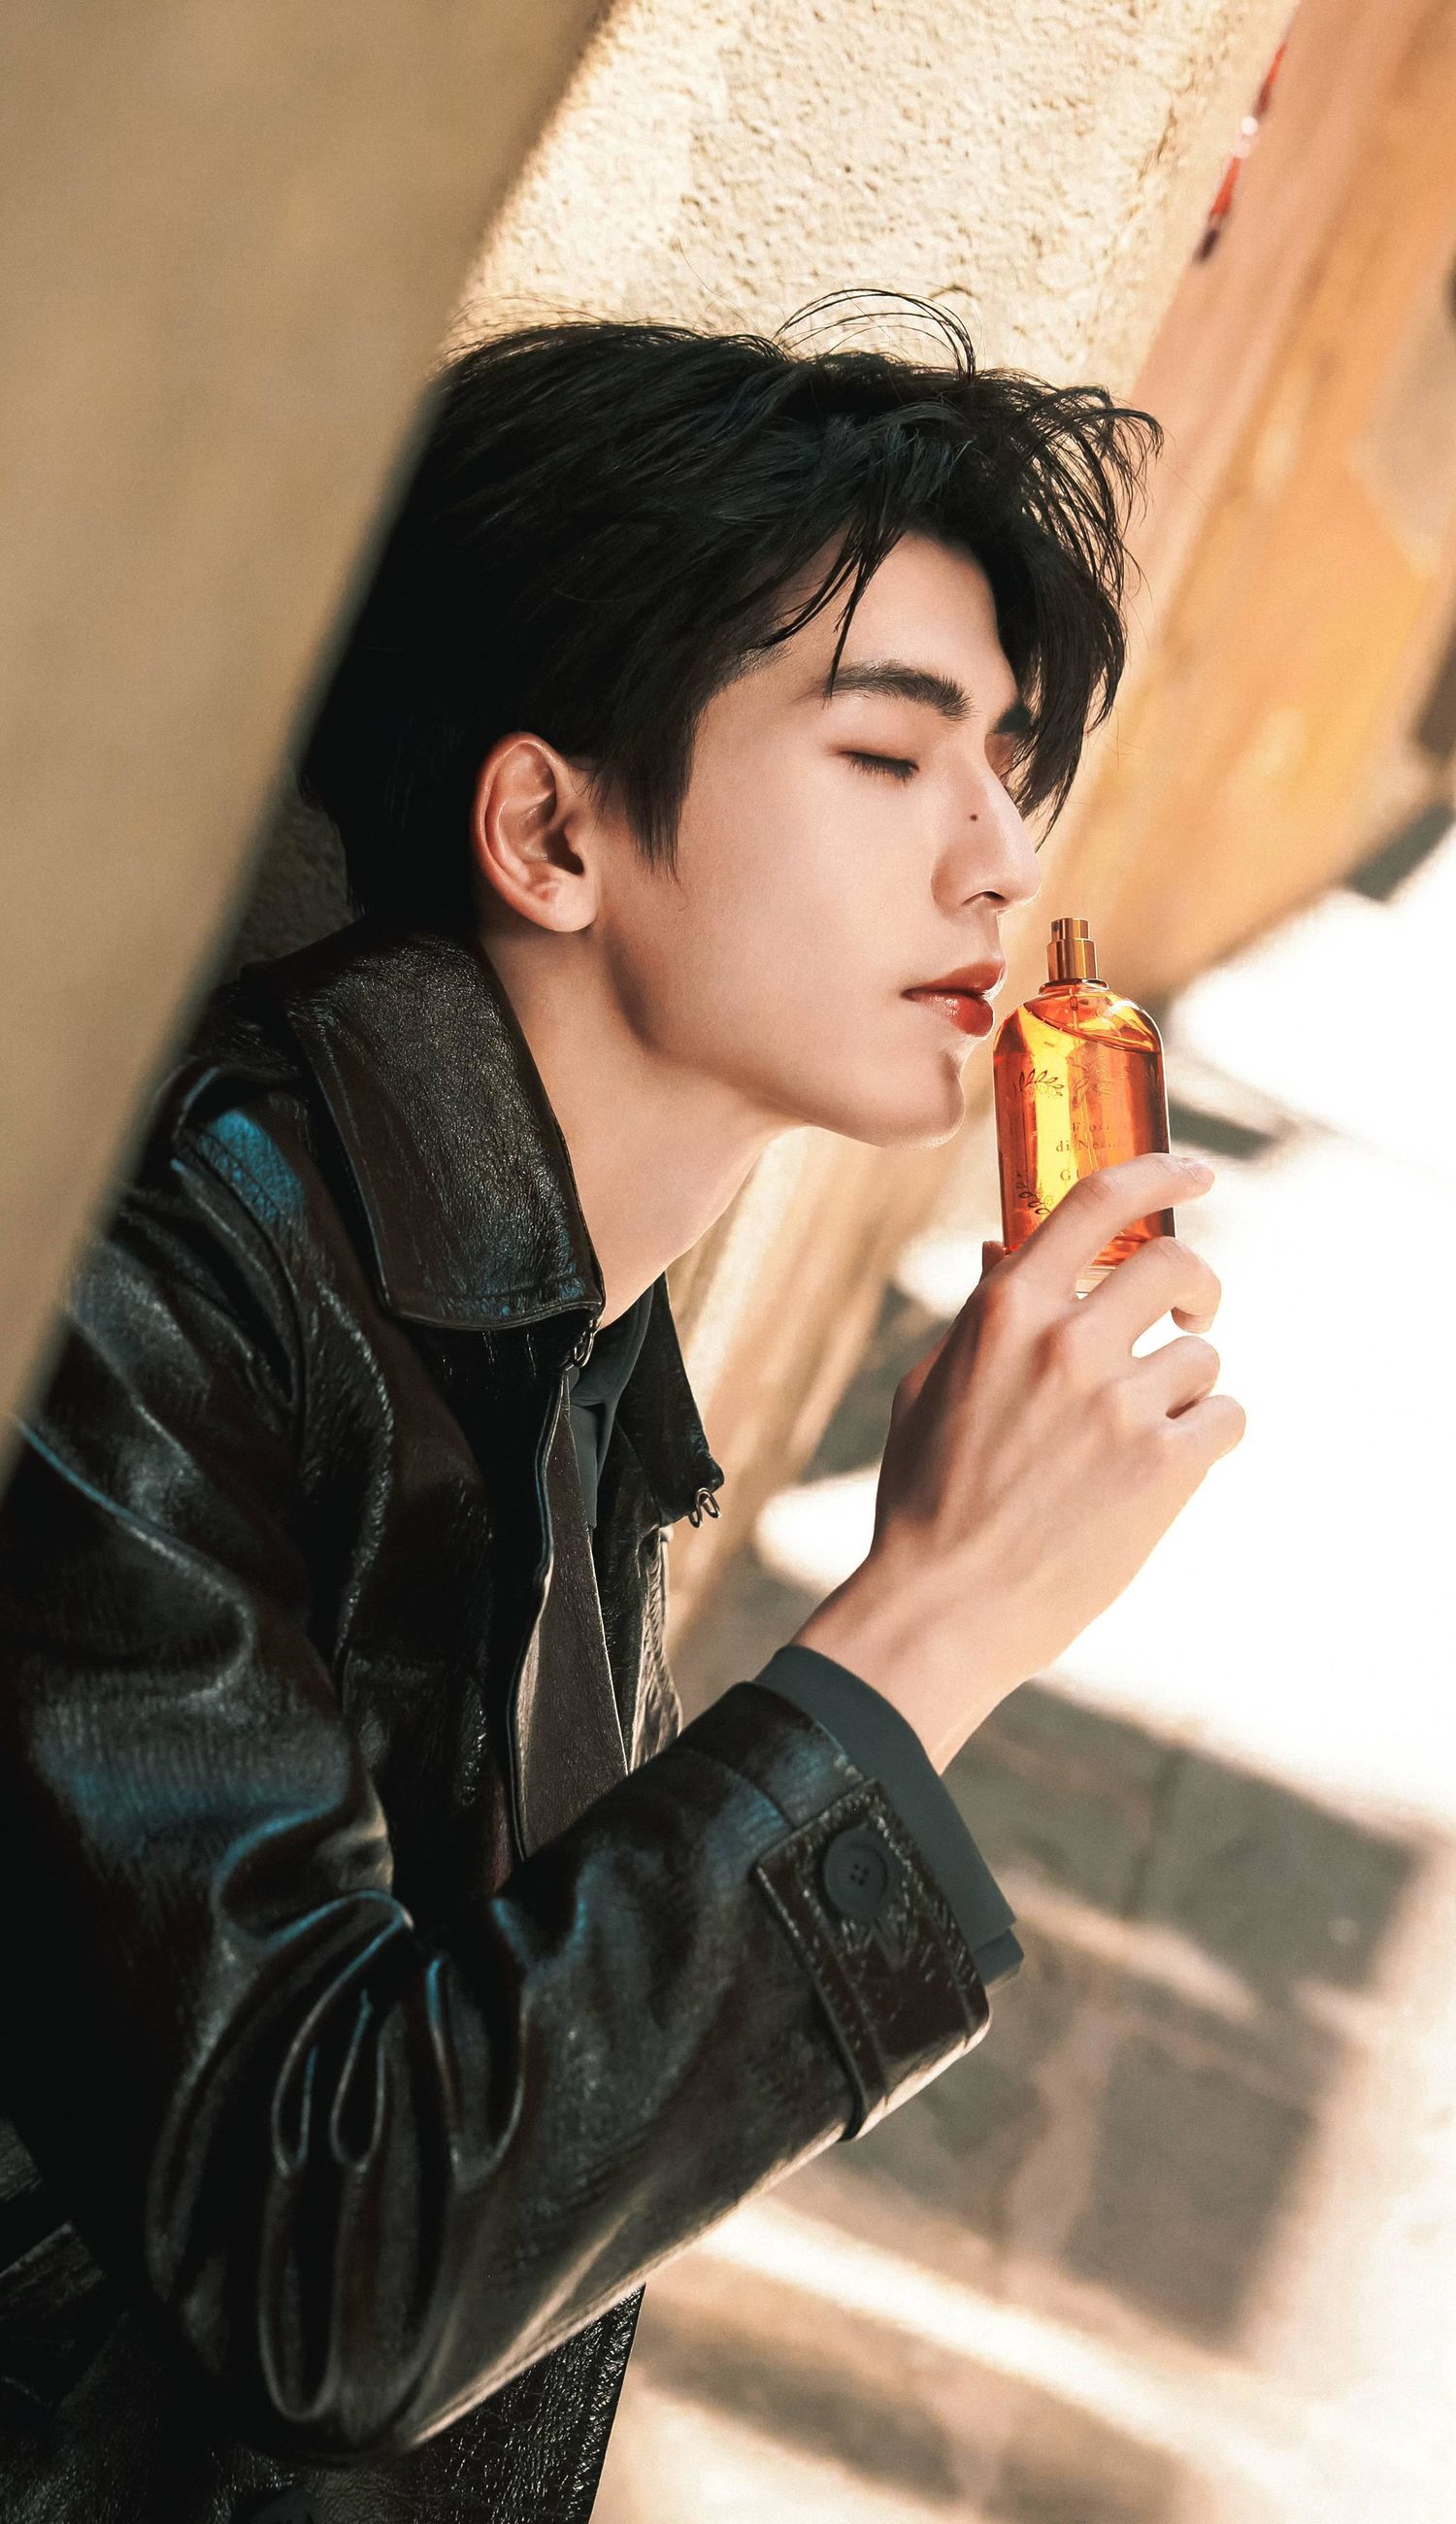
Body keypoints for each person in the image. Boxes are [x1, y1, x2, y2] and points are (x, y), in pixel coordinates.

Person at [0, 306, 1244, 2524]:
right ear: (547, 830)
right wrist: (931, 1621)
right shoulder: (161, 1296)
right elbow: (325, 2271)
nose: (995, 857)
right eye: (889, 756)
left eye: (1008, 767)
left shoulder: (563, 1341)